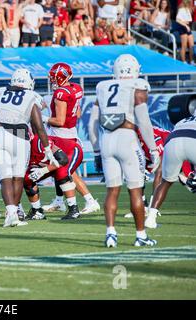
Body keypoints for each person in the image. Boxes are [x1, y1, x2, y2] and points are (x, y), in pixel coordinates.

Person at [88, 54, 159, 247]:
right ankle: (140, 235)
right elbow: (143, 120)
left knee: (112, 190)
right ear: (135, 69)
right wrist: (153, 149)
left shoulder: (102, 87)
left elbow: (92, 123)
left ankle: (110, 233)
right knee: (135, 190)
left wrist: (96, 150)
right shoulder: (138, 85)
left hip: (107, 140)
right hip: (127, 138)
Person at [0, 68, 58, 228]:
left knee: (5, 178)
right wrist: (47, 149)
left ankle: (10, 214)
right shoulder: (32, 96)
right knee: (17, 177)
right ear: (29, 83)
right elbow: (39, 126)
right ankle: (14, 214)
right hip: (19, 135)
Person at [42, 63, 87, 220]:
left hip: (63, 138)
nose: (52, 81)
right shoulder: (74, 88)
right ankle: (60, 201)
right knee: (61, 170)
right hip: (70, 135)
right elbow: (78, 113)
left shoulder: (61, 93)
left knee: (62, 171)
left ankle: (85, 201)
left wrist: (44, 119)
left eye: (53, 78)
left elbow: (60, 121)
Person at [147, 108, 196, 228]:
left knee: (165, 182)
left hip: (173, 141)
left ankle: (150, 218)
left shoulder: (183, 120)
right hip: (192, 140)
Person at [176, 0, 194, 64]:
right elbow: (178, 20)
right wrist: (186, 26)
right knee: (184, 46)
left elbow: (188, 20)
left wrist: (187, 25)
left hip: (187, 27)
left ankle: (192, 61)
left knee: (191, 45)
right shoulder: (181, 9)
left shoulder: (188, 10)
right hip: (183, 28)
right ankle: (183, 62)